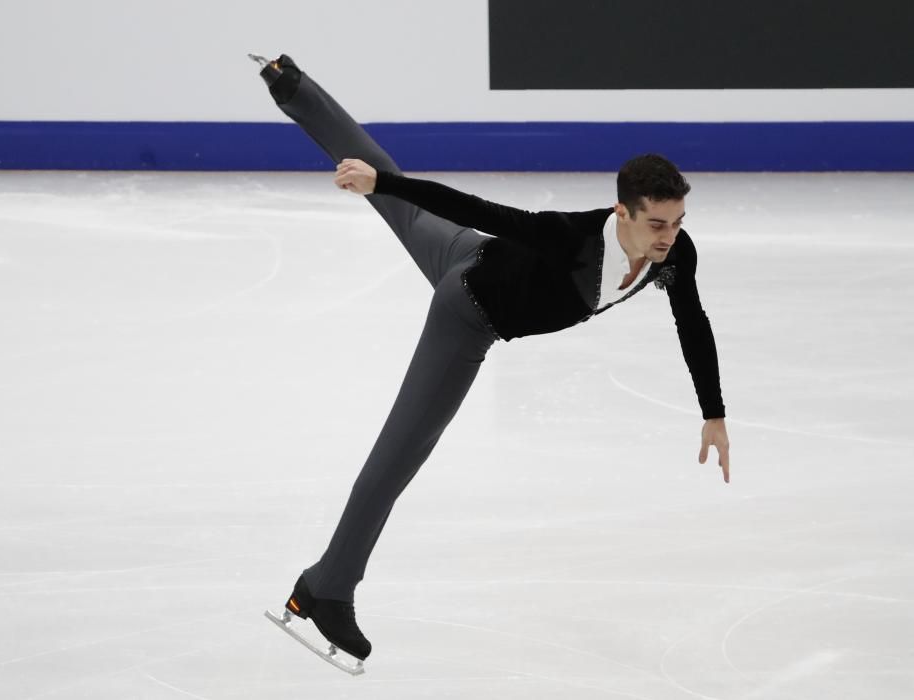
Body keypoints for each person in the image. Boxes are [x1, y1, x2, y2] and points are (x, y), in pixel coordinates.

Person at [253, 53, 730, 668]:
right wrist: (384, 186)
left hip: (464, 251)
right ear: (623, 214)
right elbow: (482, 210)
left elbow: (692, 320)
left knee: (391, 183)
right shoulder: (574, 239)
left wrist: (713, 412)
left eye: (678, 221)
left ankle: (290, 83)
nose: (669, 235)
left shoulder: (675, 254)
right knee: (403, 449)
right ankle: (325, 588)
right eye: (658, 222)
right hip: (469, 309)